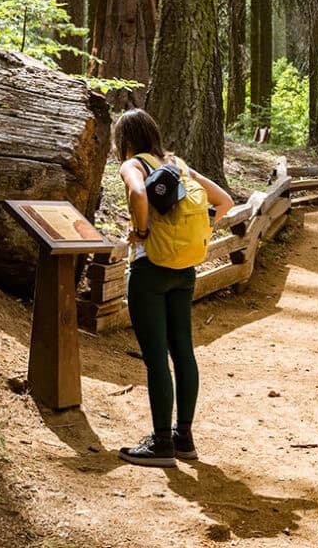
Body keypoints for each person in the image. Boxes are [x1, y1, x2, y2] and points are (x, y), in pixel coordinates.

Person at [113, 109, 233, 467]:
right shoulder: (177, 164)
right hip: (184, 271)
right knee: (183, 351)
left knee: (155, 360)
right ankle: (184, 437)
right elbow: (223, 200)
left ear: (127, 140)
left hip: (149, 270)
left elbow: (137, 193)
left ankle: (161, 443)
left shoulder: (134, 164)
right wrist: (200, 230)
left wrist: (145, 231)